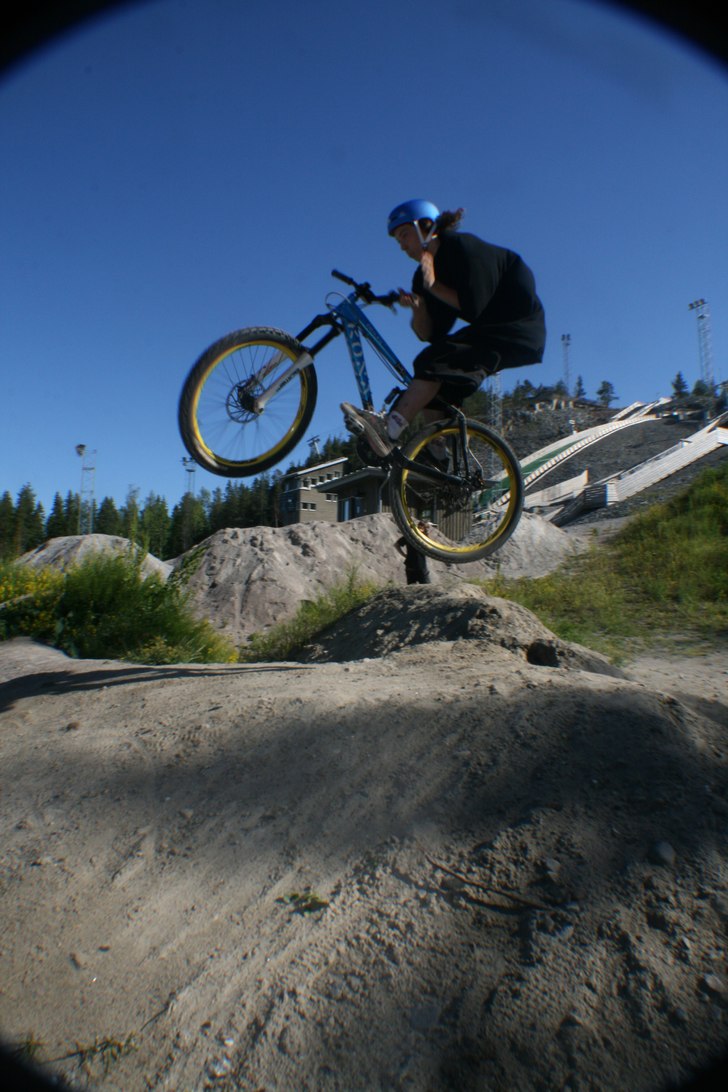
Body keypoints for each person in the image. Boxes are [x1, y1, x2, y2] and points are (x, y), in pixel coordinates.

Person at [341, 199, 546, 459]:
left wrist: (433, 285)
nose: (402, 245)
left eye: (404, 235)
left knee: (432, 361)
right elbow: (429, 334)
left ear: (426, 227)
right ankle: (441, 460)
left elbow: (474, 307)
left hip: (519, 326)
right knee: (437, 379)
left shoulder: (464, 249)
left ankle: (388, 430)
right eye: (398, 241)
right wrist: (419, 308)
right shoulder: (423, 275)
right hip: (490, 326)